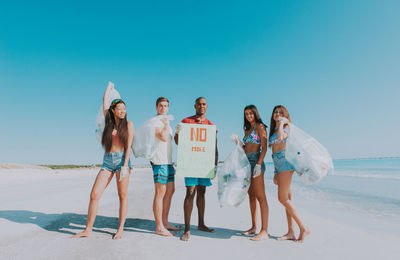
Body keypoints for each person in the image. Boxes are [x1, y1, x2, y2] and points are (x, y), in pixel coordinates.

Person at [71, 82, 134, 240]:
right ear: (113, 111)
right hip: (107, 162)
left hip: (122, 161)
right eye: (119, 109)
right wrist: (108, 87)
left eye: (124, 109)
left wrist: (125, 166)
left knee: (122, 195)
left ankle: (120, 228)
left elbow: (128, 147)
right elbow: (105, 101)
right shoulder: (108, 121)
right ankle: (88, 229)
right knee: (94, 195)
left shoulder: (129, 125)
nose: (123, 111)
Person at [174, 97, 218, 242]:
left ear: (207, 106)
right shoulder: (186, 122)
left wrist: (215, 165)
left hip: (204, 164)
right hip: (191, 163)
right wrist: (176, 133)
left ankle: (201, 224)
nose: (201, 106)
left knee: (202, 192)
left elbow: (214, 147)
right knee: (190, 192)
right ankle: (187, 228)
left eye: (204, 104)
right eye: (199, 104)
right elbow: (178, 143)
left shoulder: (211, 125)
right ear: (195, 106)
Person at [269, 105, 310, 243]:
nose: (277, 114)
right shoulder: (274, 130)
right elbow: (273, 151)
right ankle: (291, 232)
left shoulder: (285, 129)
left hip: (286, 165)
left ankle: (303, 228)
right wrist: (275, 172)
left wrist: (282, 123)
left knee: (282, 199)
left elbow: (281, 138)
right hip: (278, 165)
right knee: (287, 199)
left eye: (281, 113)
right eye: (276, 112)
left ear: (285, 116)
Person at [150, 97, 180, 236]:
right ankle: (159, 227)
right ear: (156, 107)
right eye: (161, 106)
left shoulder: (167, 122)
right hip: (159, 161)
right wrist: (166, 124)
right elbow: (161, 136)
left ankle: (165, 221)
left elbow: (171, 141)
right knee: (160, 193)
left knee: (170, 191)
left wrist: (177, 131)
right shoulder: (155, 121)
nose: (163, 108)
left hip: (168, 161)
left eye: (166, 106)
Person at [240, 105, 269, 241]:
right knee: (251, 196)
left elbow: (264, 148)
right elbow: (245, 148)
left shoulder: (260, 126)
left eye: (251, 113)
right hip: (246, 163)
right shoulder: (247, 130)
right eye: (246, 114)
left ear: (255, 114)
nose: (248, 116)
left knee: (260, 196)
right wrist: (238, 143)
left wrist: (259, 164)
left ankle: (264, 231)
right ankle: (253, 227)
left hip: (256, 161)